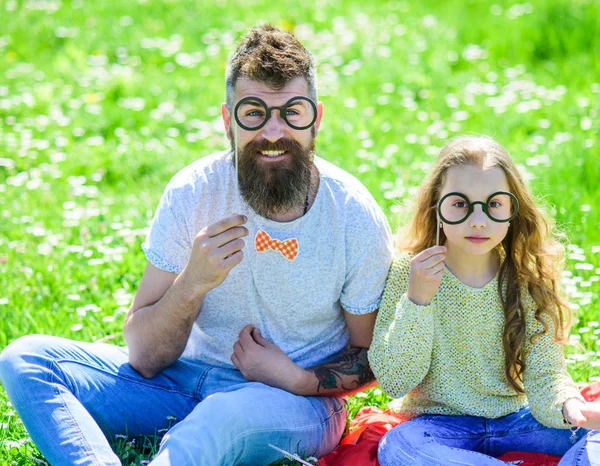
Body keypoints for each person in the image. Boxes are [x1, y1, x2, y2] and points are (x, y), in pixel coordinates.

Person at [0, 25, 394, 465]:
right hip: (183, 382)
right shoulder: (194, 191)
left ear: (316, 118)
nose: (272, 131)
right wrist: (191, 285)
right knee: (26, 359)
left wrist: (296, 378)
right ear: (228, 121)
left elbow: (372, 354)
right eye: (253, 113)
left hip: (293, 403)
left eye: (292, 112)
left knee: (222, 415)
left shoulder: (352, 213)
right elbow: (145, 358)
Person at [368, 135, 600, 465]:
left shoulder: (525, 277)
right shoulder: (411, 272)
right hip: (437, 426)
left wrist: (572, 409)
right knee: (397, 447)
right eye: (460, 203)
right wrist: (418, 300)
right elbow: (395, 380)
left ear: (511, 209)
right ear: (437, 207)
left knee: (594, 436)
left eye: (493, 204)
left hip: (518, 421)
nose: (478, 220)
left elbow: (546, 376)